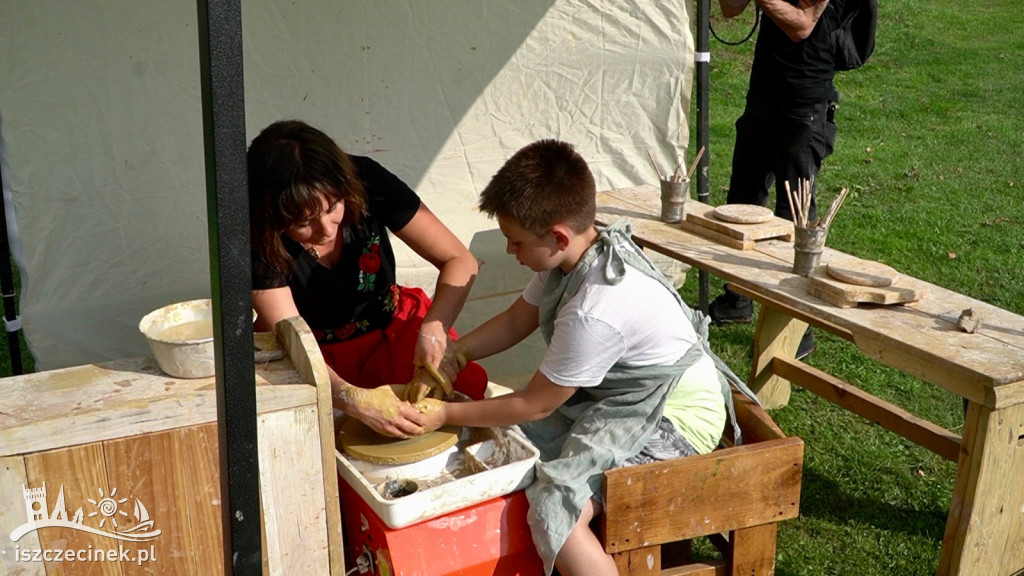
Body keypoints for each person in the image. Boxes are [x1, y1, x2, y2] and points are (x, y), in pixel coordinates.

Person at [414, 140, 757, 576]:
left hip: (673, 413)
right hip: (628, 396)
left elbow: (536, 402)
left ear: (557, 236)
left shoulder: (596, 307)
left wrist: (443, 414)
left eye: (515, 242)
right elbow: (518, 319)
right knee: (513, 443)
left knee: (556, 504)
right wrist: (458, 354)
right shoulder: (568, 259)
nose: (509, 252)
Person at [247, 119, 487, 438]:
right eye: (304, 222)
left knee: (461, 391)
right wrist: (352, 398)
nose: (327, 228)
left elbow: (459, 259)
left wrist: (434, 328)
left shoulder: (364, 178)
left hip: (390, 327)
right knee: (307, 437)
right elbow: (293, 339)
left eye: (333, 206)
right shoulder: (254, 226)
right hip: (313, 354)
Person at [710, 0, 845, 358]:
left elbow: (802, 24)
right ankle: (737, 298)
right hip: (762, 96)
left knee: (795, 219)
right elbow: (729, 9)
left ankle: (797, 326)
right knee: (741, 202)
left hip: (805, 105)